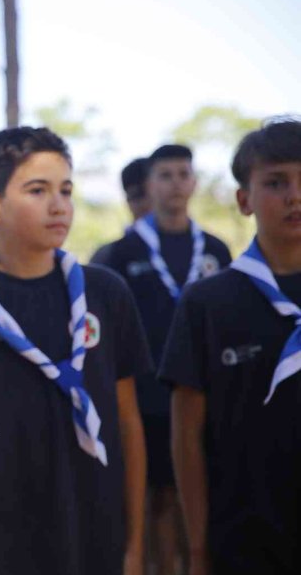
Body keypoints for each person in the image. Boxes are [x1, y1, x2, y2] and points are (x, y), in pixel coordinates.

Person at [0, 126, 150, 575]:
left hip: (94, 536)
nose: (58, 205)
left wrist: (135, 545)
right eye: (37, 190)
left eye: (66, 190)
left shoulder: (105, 292)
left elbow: (128, 422)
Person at [160, 117, 301, 575]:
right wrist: (197, 548)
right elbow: (186, 437)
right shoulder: (207, 303)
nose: (294, 195)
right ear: (245, 199)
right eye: (276, 182)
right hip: (243, 543)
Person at [93, 143, 232, 574]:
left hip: (199, 397)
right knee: (146, 498)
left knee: (188, 493)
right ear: (148, 186)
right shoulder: (120, 253)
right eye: (165, 175)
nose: (176, 183)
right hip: (143, 398)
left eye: (183, 173)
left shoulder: (216, 250)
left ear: (194, 182)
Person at [91, 157, 151, 263]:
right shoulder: (109, 255)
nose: (146, 203)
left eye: (156, 195)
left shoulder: (189, 247)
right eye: (137, 196)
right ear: (127, 200)